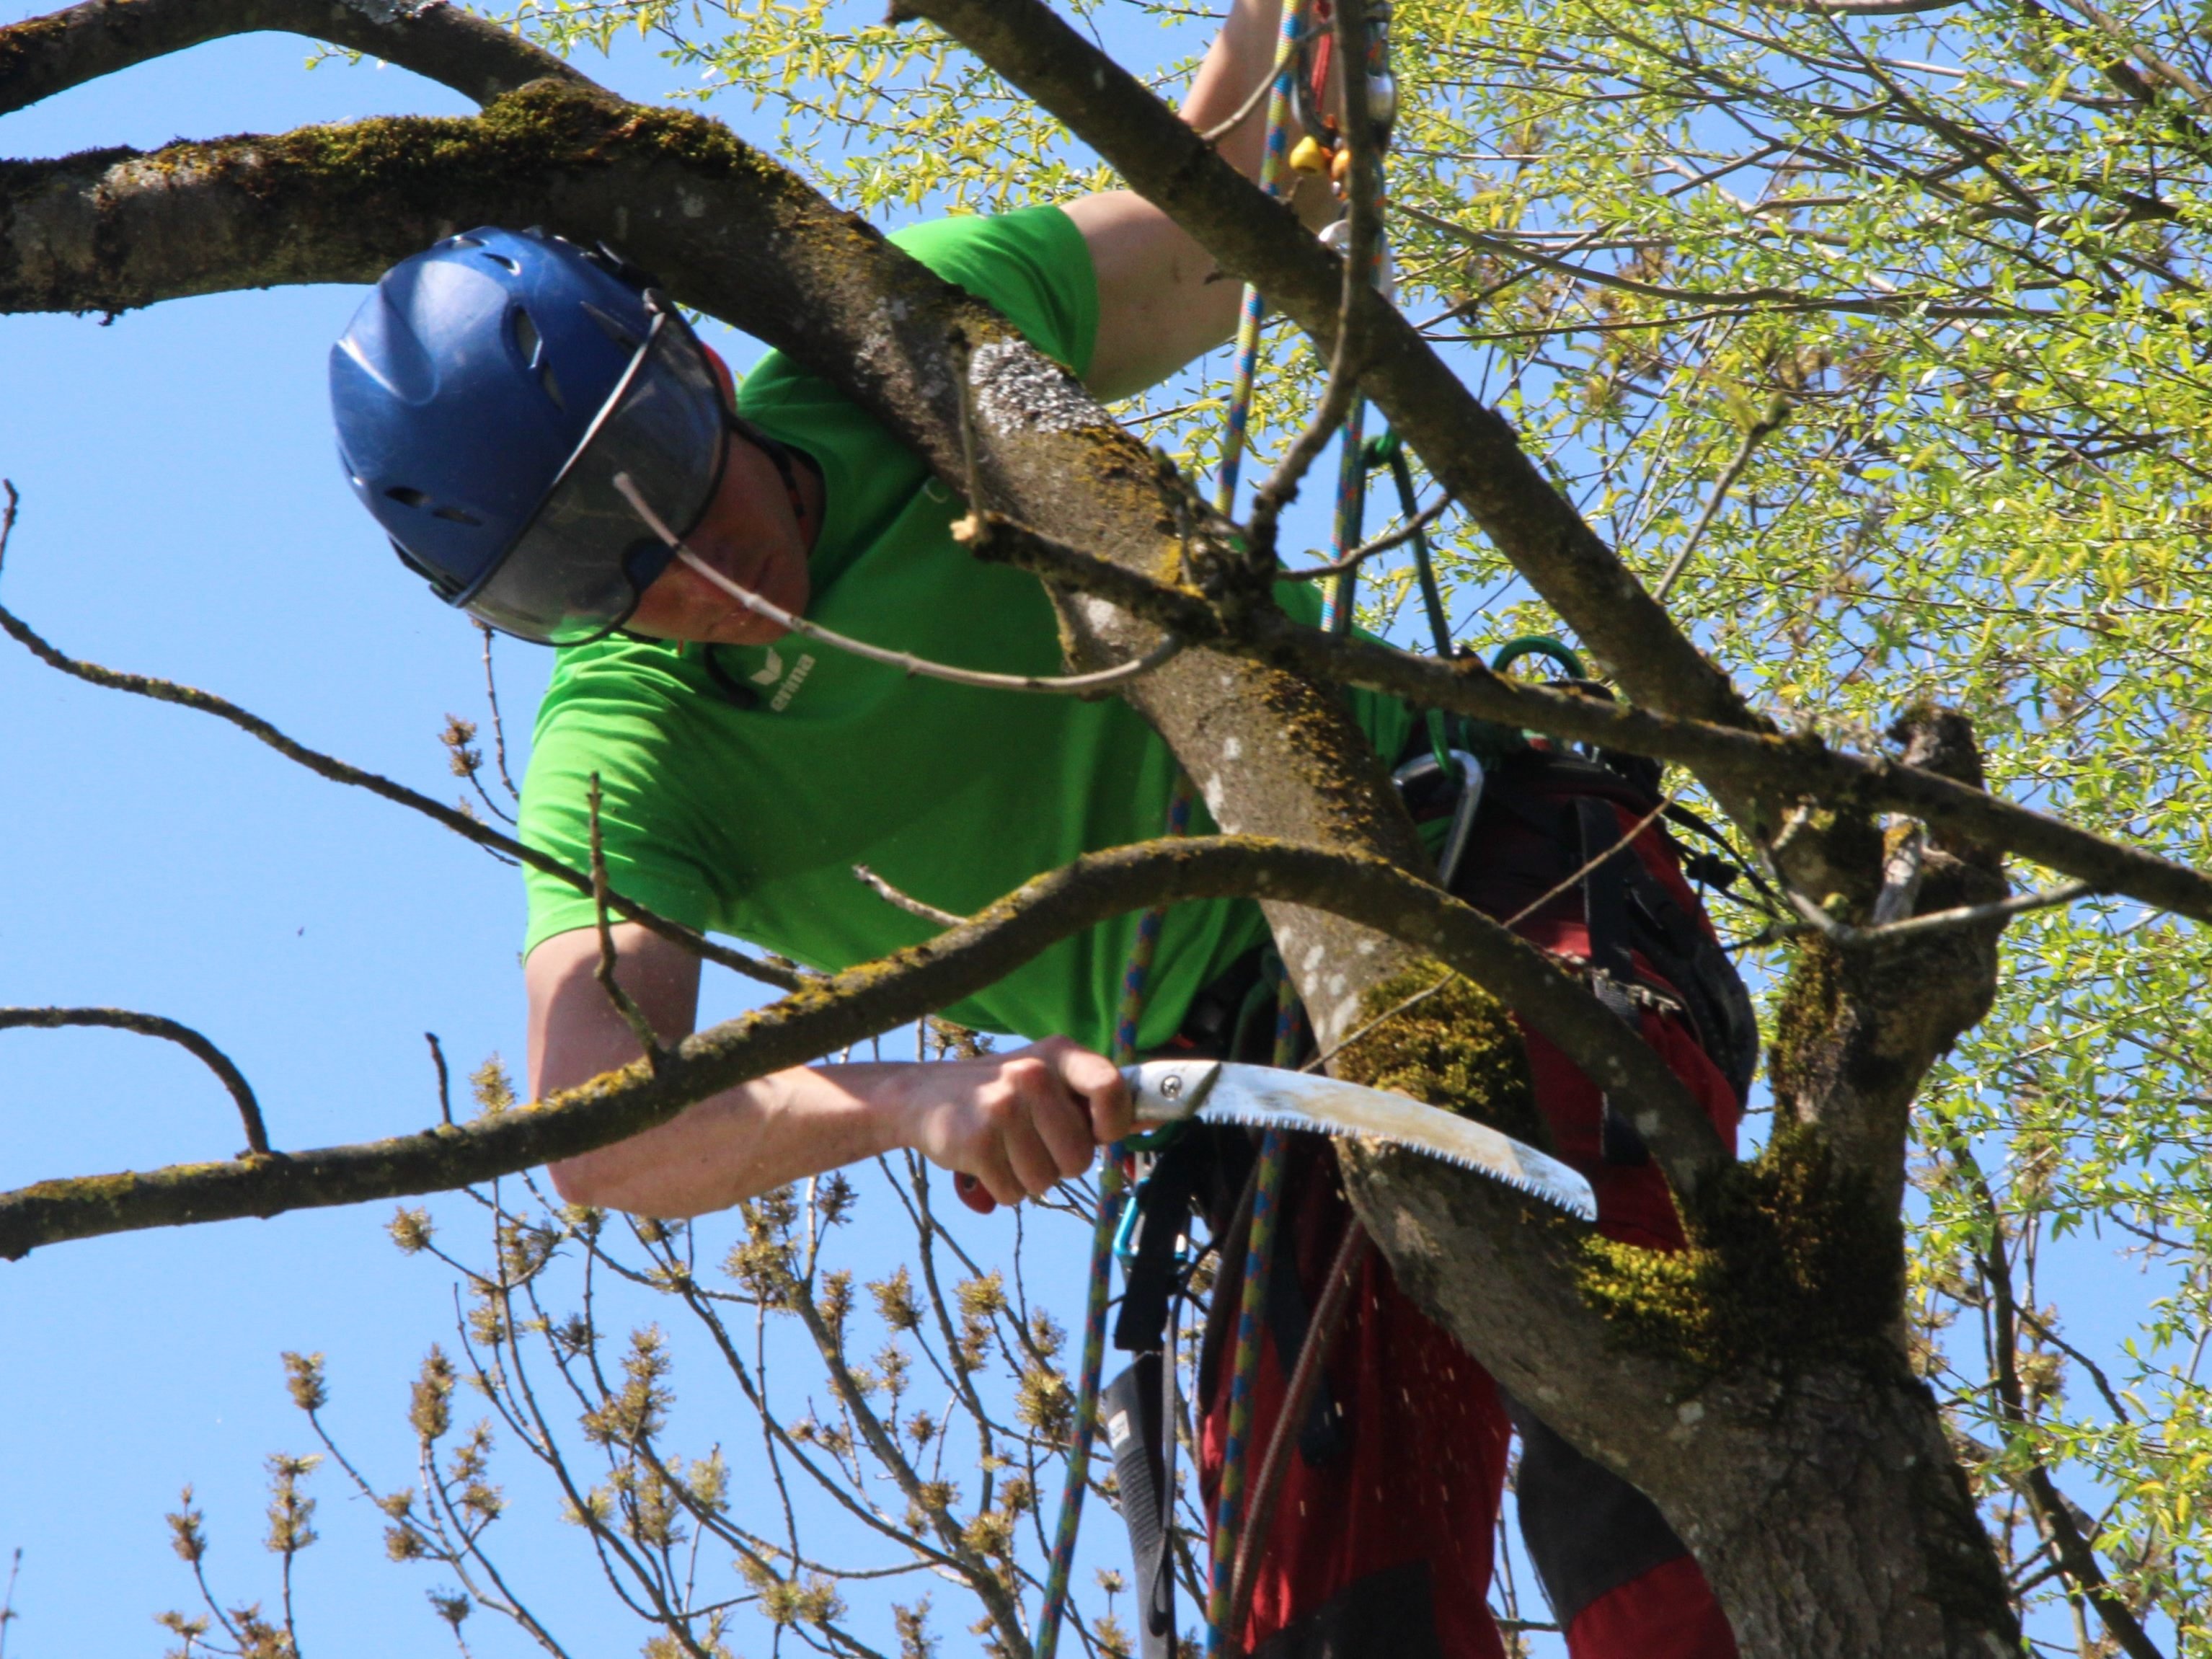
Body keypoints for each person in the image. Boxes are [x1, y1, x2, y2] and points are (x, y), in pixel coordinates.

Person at [327, 4, 1744, 1653]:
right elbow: (601, 1124)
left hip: (1497, 883)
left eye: (650, 471)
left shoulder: (893, 348)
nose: (676, 572)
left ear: (695, 364)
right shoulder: (629, 749)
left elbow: (1252, 193)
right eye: (579, 568)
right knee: (1335, 1616)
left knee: (1621, 1405)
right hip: (1260, 1092)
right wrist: (917, 1094)